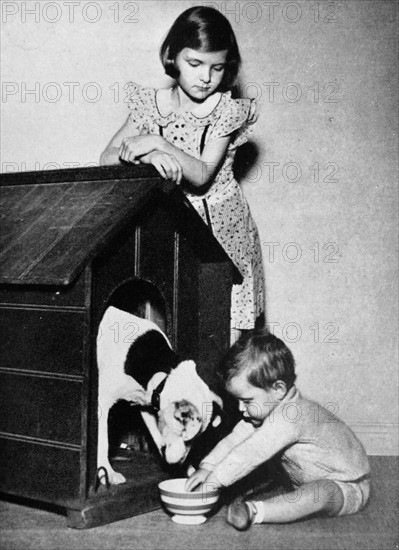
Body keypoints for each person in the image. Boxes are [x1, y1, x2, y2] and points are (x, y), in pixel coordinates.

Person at [100, 6, 265, 341]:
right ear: (172, 56)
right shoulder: (150, 105)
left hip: (222, 237)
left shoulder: (225, 110)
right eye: (195, 64)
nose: (206, 77)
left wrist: (158, 143)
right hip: (169, 232)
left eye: (216, 67)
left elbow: (202, 172)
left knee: (220, 346)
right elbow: (107, 159)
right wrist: (144, 159)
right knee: (171, 335)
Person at [185, 330, 371, 530]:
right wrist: (208, 467)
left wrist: (214, 482)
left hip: (348, 485)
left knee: (321, 493)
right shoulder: (265, 411)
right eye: (237, 401)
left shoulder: (292, 415)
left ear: (278, 389)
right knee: (299, 492)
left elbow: (251, 452)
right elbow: (235, 440)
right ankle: (259, 504)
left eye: (247, 401)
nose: (240, 409)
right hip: (305, 482)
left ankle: (254, 511)